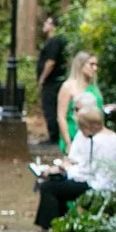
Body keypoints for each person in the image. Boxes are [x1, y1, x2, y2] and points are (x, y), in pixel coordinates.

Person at [29, 101, 116, 232]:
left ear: (88, 126)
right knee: (56, 183)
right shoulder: (110, 137)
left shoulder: (98, 141)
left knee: (49, 187)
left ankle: (51, 231)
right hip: (99, 182)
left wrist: (67, 169)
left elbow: (88, 172)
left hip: (98, 186)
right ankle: (55, 230)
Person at [54, 50, 103, 153]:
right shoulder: (68, 86)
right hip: (74, 134)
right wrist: (68, 142)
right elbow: (61, 116)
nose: (95, 68)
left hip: (95, 136)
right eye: (91, 64)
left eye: (96, 65)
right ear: (81, 65)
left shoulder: (93, 87)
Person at [34, 13, 69, 149]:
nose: (45, 25)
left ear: (53, 26)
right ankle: (53, 134)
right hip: (53, 80)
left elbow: (50, 62)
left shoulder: (55, 41)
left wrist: (42, 78)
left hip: (52, 81)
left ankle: (54, 136)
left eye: (48, 23)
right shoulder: (55, 41)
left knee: (50, 107)